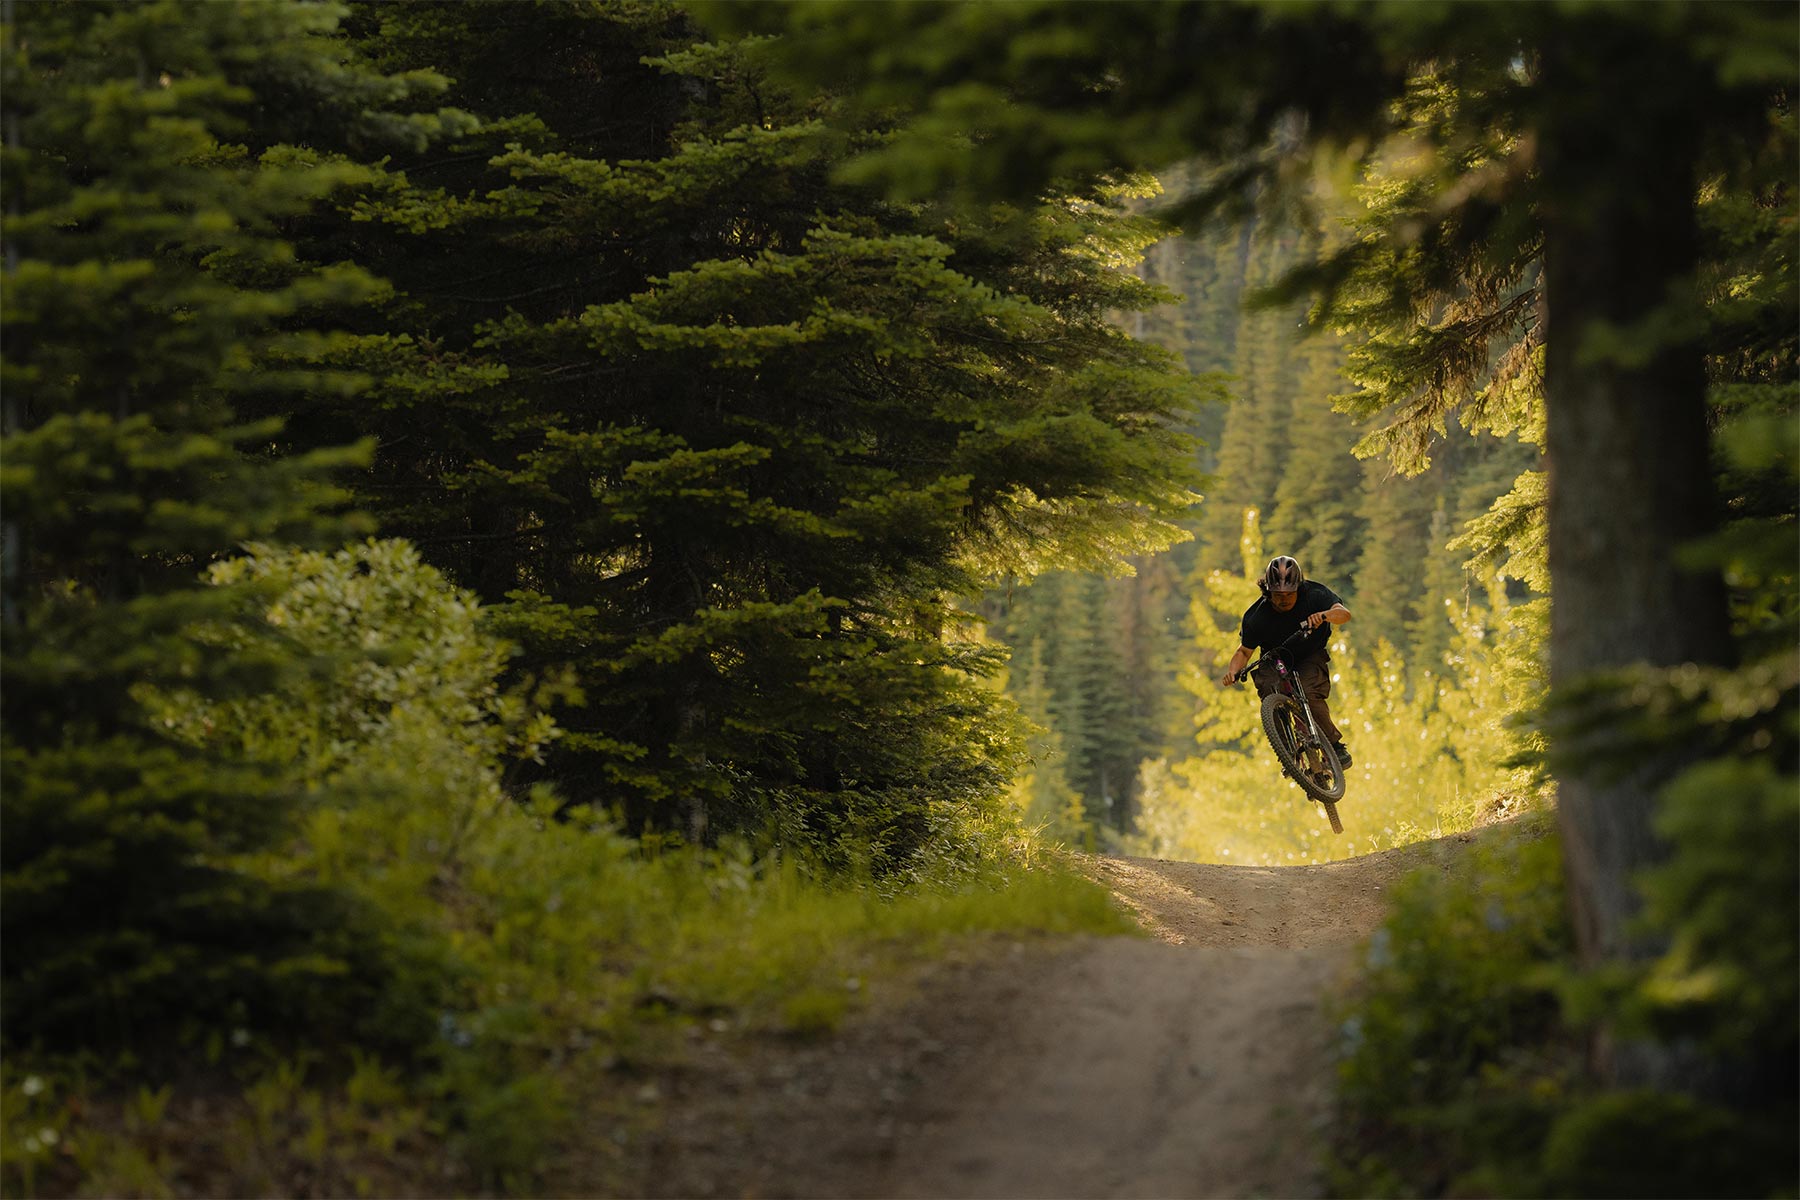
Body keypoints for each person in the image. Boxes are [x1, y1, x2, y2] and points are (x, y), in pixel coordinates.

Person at [1217, 555, 1354, 767]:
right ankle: (1287, 751)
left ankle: (1336, 746)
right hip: (1276, 658)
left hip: (1310, 653)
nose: (1284, 599)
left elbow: (1343, 614)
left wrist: (1324, 616)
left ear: (1299, 588)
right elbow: (1244, 652)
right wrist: (1233, 672)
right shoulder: (1256, 616)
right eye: (1277, 594)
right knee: (1269, 690)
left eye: (1290, 594)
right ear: (1268, 591)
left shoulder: (1315, 594)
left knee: (1309, 693)